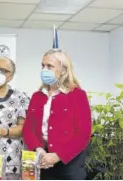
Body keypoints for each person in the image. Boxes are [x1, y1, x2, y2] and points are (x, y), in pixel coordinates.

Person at [22, 49, 92, 179]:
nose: (44, 69)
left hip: (69, 162)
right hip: (41, 160)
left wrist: (57, 156)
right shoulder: (37, 96)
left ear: (64, 70)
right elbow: (28, 128)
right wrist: (38, 149)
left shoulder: (77, 95)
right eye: (43, 65)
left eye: (50, 66)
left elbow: (83, 134)